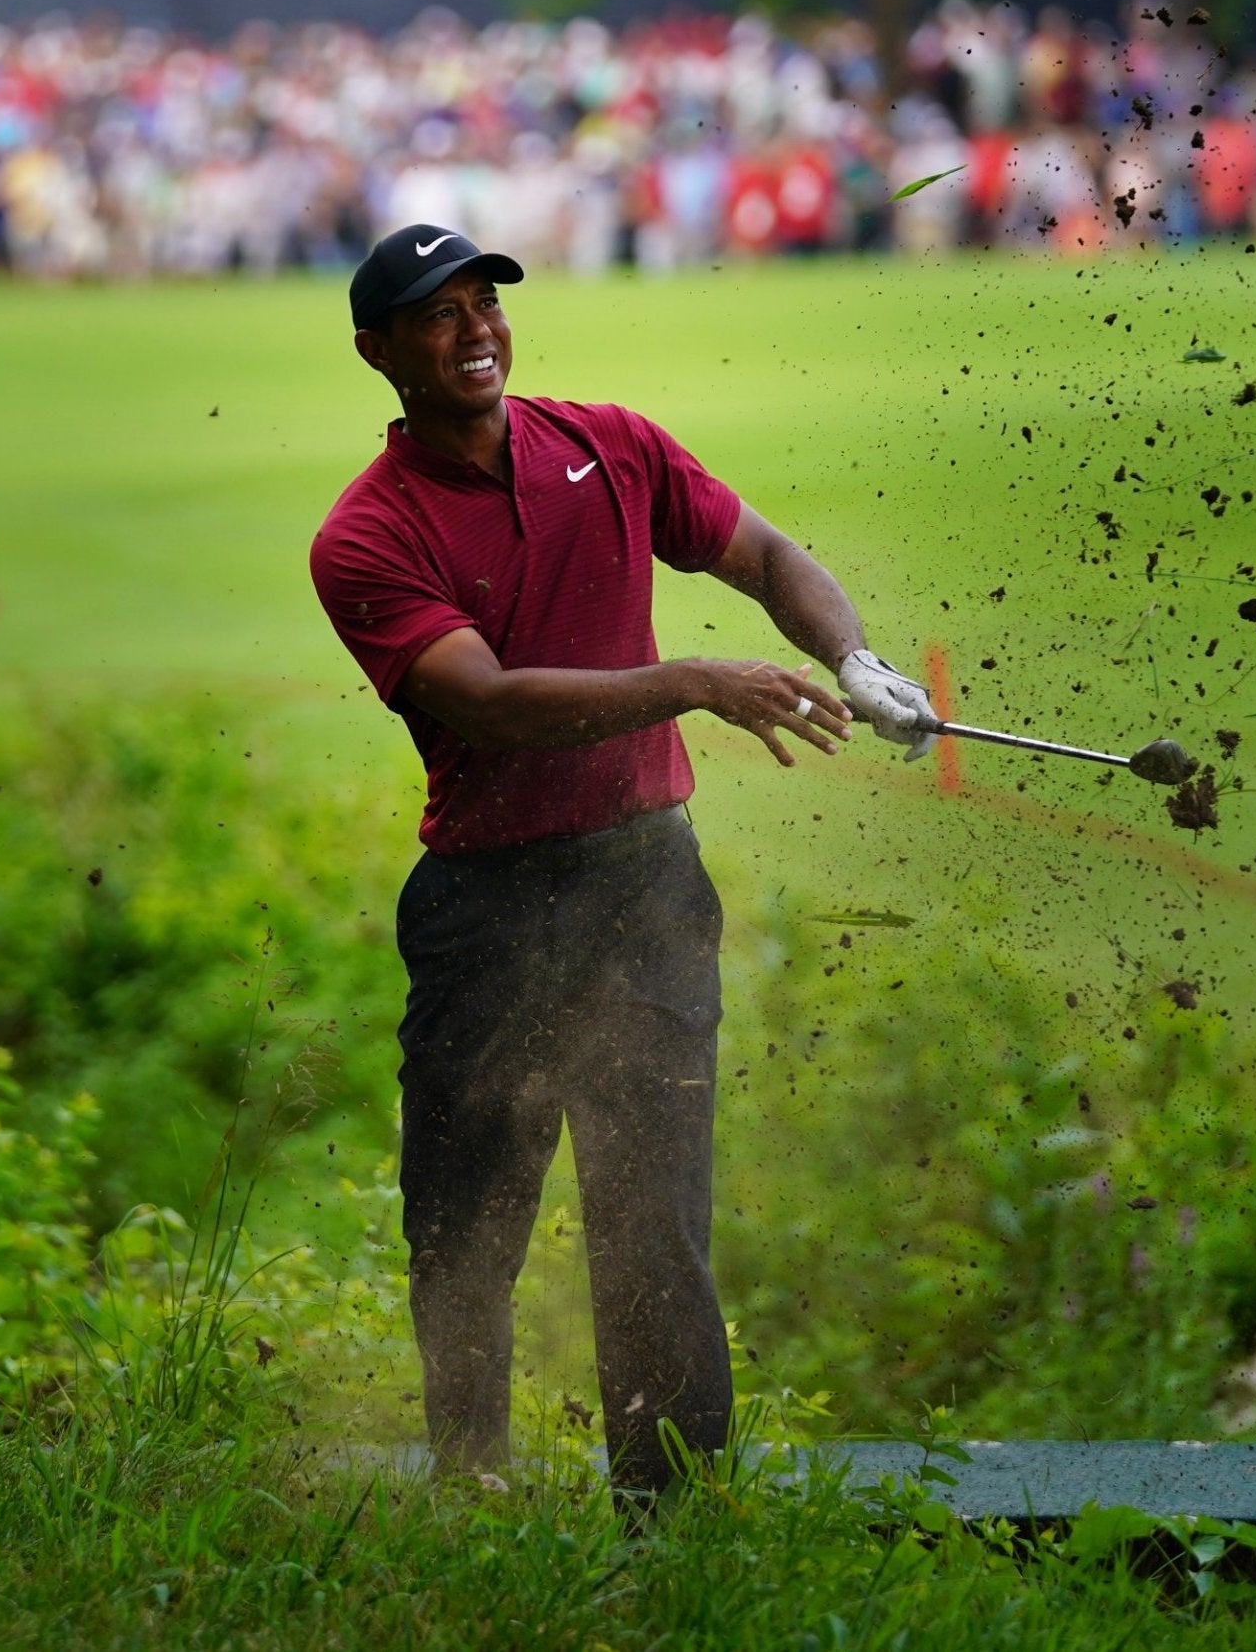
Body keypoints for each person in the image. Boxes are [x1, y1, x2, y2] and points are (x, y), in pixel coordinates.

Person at [308, 225, 936, 1500]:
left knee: (654, 1227)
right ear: (379, 352)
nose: (474, 327)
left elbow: (761, 555)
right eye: (438, 314)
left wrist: (846, 652)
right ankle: (468, 1483)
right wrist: (693, 681)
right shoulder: (365, 534)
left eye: (484, 301)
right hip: (486, 907)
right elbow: (484, 701)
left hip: (644, 887)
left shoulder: (607, 441)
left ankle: (671, 1520)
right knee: (465, 1224)